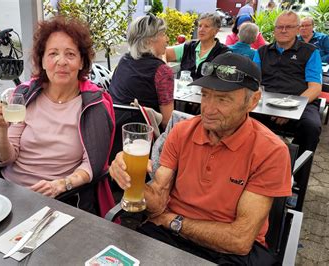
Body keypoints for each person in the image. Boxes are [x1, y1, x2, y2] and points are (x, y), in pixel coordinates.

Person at [110, 53, 292, 265]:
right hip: (169, 236)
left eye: (223, 99)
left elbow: (239, 240)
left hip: (229, 253)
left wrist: (173, 221)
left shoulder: (270, 151)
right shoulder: (182, 132)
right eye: (205, 95)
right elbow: (158, 202)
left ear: (252, 101)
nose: (208, 109)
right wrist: (132, 176)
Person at [0, 16, 115, 215]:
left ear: (82, 62)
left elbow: (93, 165)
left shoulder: (94, 105)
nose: (61, 61)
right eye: (53, 53)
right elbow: (5, 159)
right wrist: (1, 129)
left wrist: (62, 185)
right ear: (43, 60)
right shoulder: (25, 95)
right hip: (9, 193)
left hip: (58, 201)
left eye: (70, 54)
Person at [253, 11, 322, 155]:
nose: (283, 30)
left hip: (299, 102)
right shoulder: (262, 52)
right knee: (239, 115)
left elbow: (315, 88)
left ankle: (295, 172)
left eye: (289, 27)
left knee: (311, 127)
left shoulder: (310, 52)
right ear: (274, 29)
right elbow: (253, 81)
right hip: (265, 102)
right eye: (279, 27)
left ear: (298, 29)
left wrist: (289, 109)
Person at [109, 14, 174, 128]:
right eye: (163, 34)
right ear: (149, 41)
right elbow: (167, 122)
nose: (167, 39)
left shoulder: (124, 60)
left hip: (112, 131)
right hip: (144, 137)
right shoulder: (162, 71)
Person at [166, 13, 229, 80]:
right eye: (200, 26)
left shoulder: (223, 53)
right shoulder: (188, 48)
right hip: (185, 89)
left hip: (208, 90)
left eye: (206, 26)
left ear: (216, 31)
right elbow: (162, 53)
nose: (201, 29)